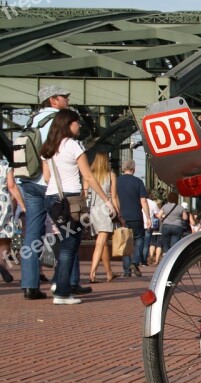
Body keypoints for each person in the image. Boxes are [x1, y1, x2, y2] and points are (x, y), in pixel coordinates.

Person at [41, 109, 116, 304]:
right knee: (70, 245)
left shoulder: (49, 146)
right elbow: (89, 176)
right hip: (71, 199)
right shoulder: (74, 146)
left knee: (65, 241)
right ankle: (62, 293)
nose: (80, 125)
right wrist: (106, 200)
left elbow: (47, 177)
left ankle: (59, 282)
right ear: (68, 124)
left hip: (51, 198)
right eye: (77, 122)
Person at [18, 86, 70, 300]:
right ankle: (66, 283)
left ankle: (30, 285)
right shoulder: (58, 121)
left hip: (29, 181)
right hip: (49, 183)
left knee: (32, 234)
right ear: (53, 100)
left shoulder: (30, 121)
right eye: (64, 97)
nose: (67, 100)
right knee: (67, 230)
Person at [86, 152, 120, 283]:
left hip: (93, 210)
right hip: (105, 209)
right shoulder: (111, 175)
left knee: (103, 242)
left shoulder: (90, 175)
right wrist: (119, 213)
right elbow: (114, 196)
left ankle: (109, 273)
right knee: (101, 242)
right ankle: (92, 272)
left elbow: (85, 192)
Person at [116, 160, 150, 277]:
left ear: (122, 168)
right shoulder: (138, 182)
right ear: (134, 169)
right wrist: (148, 217)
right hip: (136, 216)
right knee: (139, 239)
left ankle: (126, 270)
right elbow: (144, 201)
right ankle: (135, 262)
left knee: (125, 242)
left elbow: (114, 198)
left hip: (122, 217)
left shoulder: (117, 181)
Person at [0, 160, 25, 283]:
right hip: (3, 205)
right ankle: (1, 264)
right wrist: (23, 205)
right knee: (5, 238)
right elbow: (12, 186)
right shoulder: (5, 165)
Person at [142, 192, 159, 265]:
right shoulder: (153, 203)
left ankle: (138, 259)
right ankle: (144, 261)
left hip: (140, 223)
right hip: (149, 224)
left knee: (139, 243)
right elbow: (157, 214)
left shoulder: (138, 202)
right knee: (146, 244)